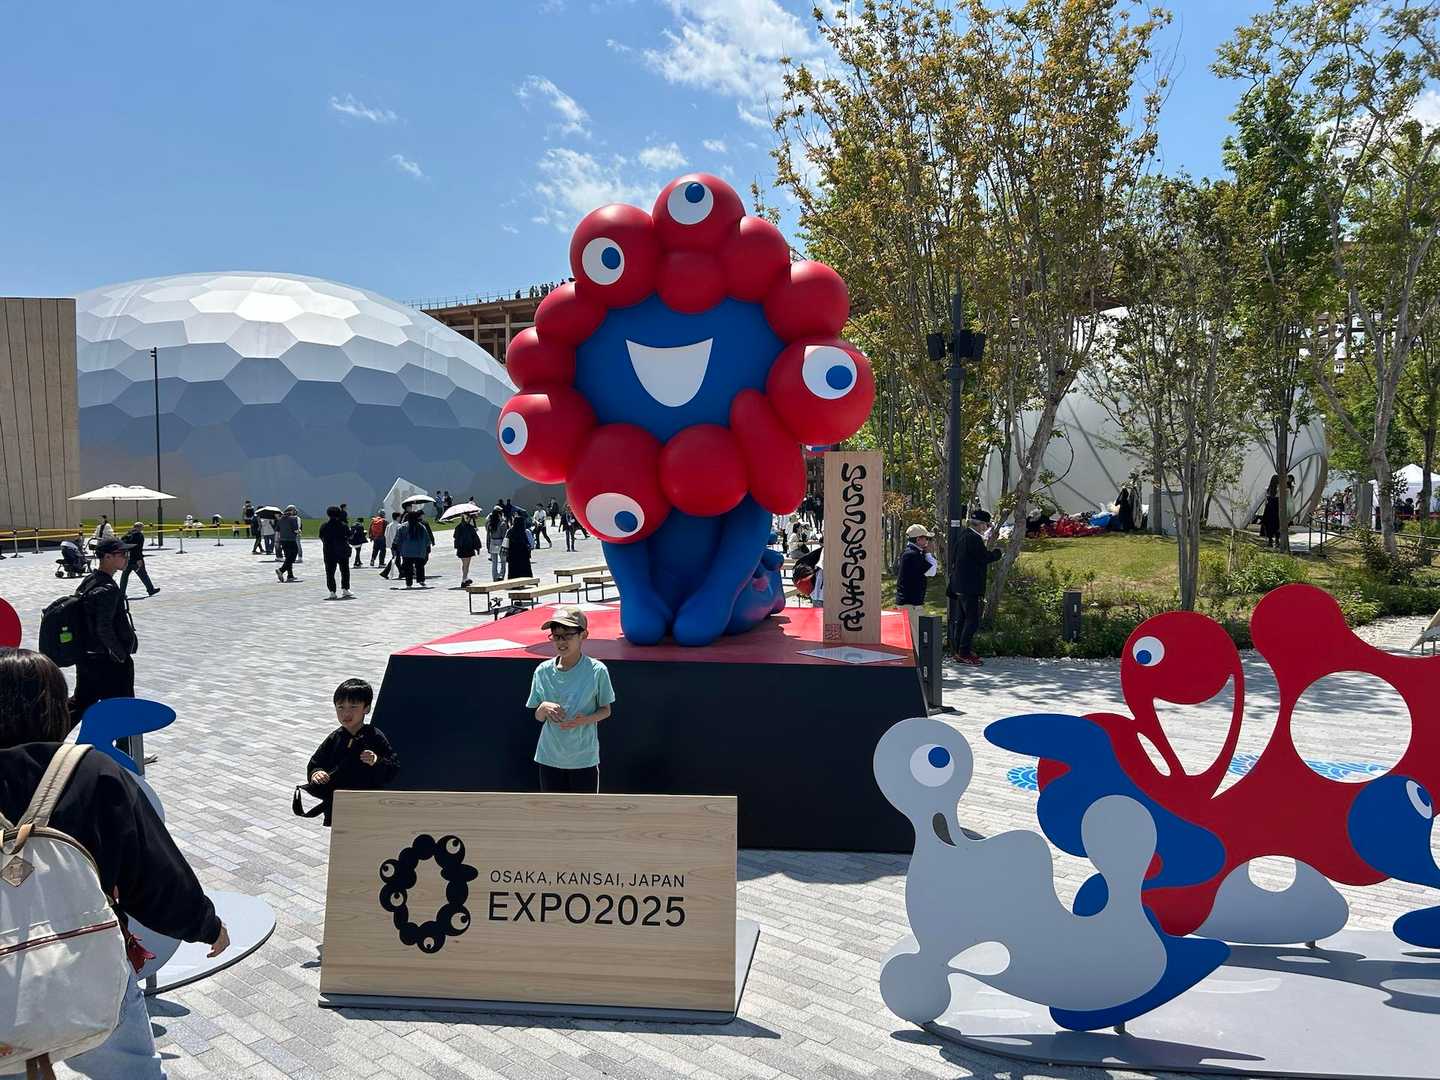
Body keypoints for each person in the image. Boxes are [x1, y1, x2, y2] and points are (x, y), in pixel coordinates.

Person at [0, 647, 228, 1080]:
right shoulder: (91, 771)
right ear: (55, 707)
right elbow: (153, 873)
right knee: (131, 1073)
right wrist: (205, 924)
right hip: (88, 960)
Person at [526, 608, 614, 793]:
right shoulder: (542, 671)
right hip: (549, 757)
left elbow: (606, 709)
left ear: (583, 635)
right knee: (552, 809)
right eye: (556, 636)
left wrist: (585, 720)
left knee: (583, 810)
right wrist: (543, 707)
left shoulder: (597, 671)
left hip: (583, 759)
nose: (561, 642)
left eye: (568, 635)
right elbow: (538, 716)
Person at [295, 678, 398, 827]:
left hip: (368, 803)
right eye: (340, 707)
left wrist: (376, 761)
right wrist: (316, 773)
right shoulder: (335, 737)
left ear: (366, 708)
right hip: (339, 804)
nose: (346, 713)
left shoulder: (375, 736)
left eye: (353, 706)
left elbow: (393, 768)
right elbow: (316, 763)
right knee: (341, 836)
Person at [68, 537, 139, 728]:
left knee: (81, 703)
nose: (126, 557)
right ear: (107, 557)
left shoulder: (90, 580)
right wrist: (121, 655)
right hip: (107, 660)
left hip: (87, 656)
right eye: (122, 554)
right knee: (123, 708)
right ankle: (125, 745)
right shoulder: (108, 588)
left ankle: (48, 737)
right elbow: (104, 627)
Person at [948, 509, 1002, 666]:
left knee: (961, 619)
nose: (986, 528)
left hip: (959, 585)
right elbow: (983, 557)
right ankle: (964, 652)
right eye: (987, 525)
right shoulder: (974, 538)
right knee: (972, 620)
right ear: (982, 525)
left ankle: (959, 650)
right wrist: (997, 553)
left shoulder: (963, 535)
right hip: (970, 586)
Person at [896, 524, 938, 653]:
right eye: (926, 538)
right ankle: (917, 663)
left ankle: (916, 662)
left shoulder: (911, 553)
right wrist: (929, 553)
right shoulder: (913, 555)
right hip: (910, 604)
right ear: (918, 539)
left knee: (915, 636)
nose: (928, 541)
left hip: (910, 602)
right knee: (916, 637)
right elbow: (932, 571)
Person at [116, 522, 160, 599]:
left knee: (124, 576)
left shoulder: (127, 534)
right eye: (142, 527)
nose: (142, 529)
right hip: (136, 559)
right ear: (139, 527)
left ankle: (122, 593)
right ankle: (150, 589)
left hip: (127, 558)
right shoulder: (139, 535)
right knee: (143, 574)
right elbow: (138, 548)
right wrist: (139, 559)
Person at [318, 506, 353, 600]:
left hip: (329, 552)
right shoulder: (343, 525)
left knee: (330, 572)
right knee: (345, 571)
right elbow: (350, 536)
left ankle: (332, 592)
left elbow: (321, 537)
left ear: (328, 514)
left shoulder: (324, 526)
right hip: (342, 551)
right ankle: (345, 589)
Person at [395, 509, 434, 588]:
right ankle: (421, 580)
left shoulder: (402, 527)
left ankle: (409, 583)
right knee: (420, 566)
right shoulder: (421, 527)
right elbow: (427, 539)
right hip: (419, 551)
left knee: (408, 568)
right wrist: (428, 547)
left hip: (406, 551)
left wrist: (395, 546)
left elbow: (397, 538)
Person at [453, 511, 481, 587]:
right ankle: (464, 579)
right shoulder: (470, 527)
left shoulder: (458, 527)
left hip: (461, 548)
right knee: (466, 565)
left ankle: (465, 578)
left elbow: (455, 536)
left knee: (464, 564)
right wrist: (477, 547)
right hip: (468, 548)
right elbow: (475, 538)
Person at [274, 505, 301, 582]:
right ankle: (281, 570)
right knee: (292, 556)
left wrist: (276, 541)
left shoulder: (280, 519)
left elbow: (277, 530)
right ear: (292, 511)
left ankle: (290, 575)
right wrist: (299, 531)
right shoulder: (293, 519)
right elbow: (295, 530)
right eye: (294, 510)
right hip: (291, 540)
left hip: (283, 540)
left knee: (288, 557)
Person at [505, 511, 533, 580]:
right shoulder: (524, 532)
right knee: (525, 572)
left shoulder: (510, 531)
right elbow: (530, 544)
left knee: (513, 573)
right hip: (523, 556)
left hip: (512, 556)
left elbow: (506, 543)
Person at [379, 511, 403, 579]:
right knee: (395, 558)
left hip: (391, 544)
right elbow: (399, 536)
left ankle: (401, 573)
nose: (400, 518)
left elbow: (385, 535)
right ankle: (385, 572)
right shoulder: (399, 525)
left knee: (396, 558)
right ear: (398, 517)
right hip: (397, 544)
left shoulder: (389, 525)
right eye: (400, 517)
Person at [487, 505, 508, 580]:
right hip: (500, 542)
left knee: (494, 562)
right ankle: (501, 575)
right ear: (500, 514)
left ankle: (495, 576)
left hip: (492, 542)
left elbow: (488, 535)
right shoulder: (502, 523)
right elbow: (504, 536)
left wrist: (488, 545)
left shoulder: (490, 523)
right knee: (503, 561)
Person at [1260, 475, 1281, 548]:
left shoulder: (1267, 489)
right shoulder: (1280, 490)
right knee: (1277, 524)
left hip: (1269, 509)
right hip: (1277, 508)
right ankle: (1277, 541)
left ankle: (1270, 541)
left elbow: (1266, 501)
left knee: (1269, 525)